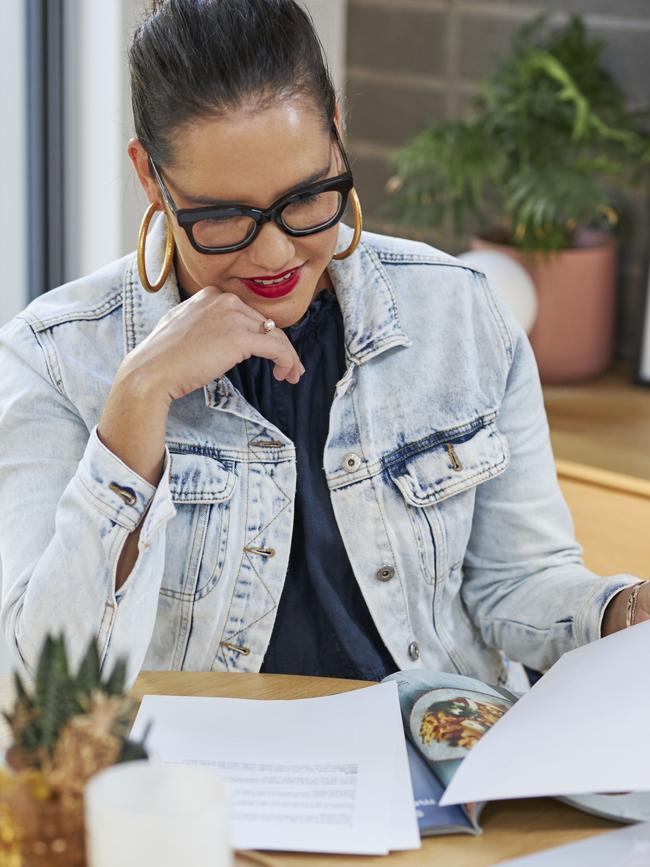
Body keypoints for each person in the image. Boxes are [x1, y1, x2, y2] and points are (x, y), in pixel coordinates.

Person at [0, 0, 645, 689]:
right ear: (150, 178)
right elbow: (35, 687)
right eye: (224, 217)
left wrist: (624, 611)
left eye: (307, 196)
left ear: (337, 132)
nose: (275, 252)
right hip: (194, 783)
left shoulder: (460, 312)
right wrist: (136, 401)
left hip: (436, 754)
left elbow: (518, 585)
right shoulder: (54, 358)